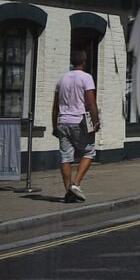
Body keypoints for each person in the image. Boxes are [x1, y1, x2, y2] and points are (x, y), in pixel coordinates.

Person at [52, 60, 100, 203]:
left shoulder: (62, 79)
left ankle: (68, 191)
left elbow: (55, 106)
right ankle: (75, 184)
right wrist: (95, 121)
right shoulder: (86, 78)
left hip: (62, 121)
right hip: (79, 121)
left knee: (66, 157)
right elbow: (91, 102)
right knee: (89, 152)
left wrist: (54, 125)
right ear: (84, 62)